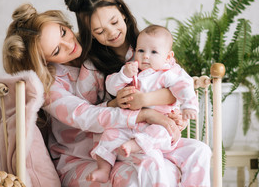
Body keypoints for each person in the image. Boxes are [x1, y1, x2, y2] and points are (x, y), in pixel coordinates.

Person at [3, 3, 186, 186]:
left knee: (184, 159)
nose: (69, 44)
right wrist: (144, 114)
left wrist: (169, 112)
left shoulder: (98, 45)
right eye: (56, 50)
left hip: (123, 145)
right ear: (44, 60)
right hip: (80, 159)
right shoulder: (49, 87)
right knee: (133, 179)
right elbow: (87, 117)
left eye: (63, 32)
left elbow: (159, 79)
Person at [66, 0, 212, 186]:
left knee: (201, 150)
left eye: (114, 22)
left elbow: (176, 85)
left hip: (159, 132)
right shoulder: (92, 67)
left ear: (123, 13)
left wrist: (174, 112)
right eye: (99, 31)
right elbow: (87, 113)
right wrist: (115, 103)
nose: (112, 32)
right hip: (125, 136)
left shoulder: (149, 45)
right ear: (91, 35)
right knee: (151, 163)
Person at [84, 24, 199, 183]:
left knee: (160, 132)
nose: (145, 56)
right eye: (141, 51)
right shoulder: (132, 70)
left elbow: (185, 86)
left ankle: (136, 145)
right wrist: (124, 75)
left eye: (153, 52)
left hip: (159, 123)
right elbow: (111, 86)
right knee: (109, 134)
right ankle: (103, 169)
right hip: (131, 124)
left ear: (167, 57)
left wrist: (189, 106)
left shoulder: (168, 73)